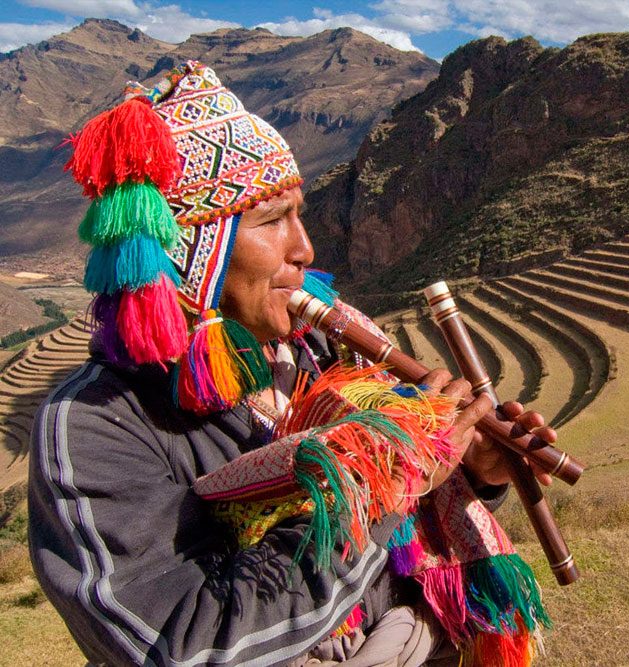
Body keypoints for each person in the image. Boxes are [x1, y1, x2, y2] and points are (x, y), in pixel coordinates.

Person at [28, 61, 555, 667]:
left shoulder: (319, 351)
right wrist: (376, 491)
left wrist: (473, 471)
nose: (305, 249)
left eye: (299, 215)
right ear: (196, 255)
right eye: (272, 221)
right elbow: (178, 647)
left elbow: (405, 539)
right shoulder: (93, 426)